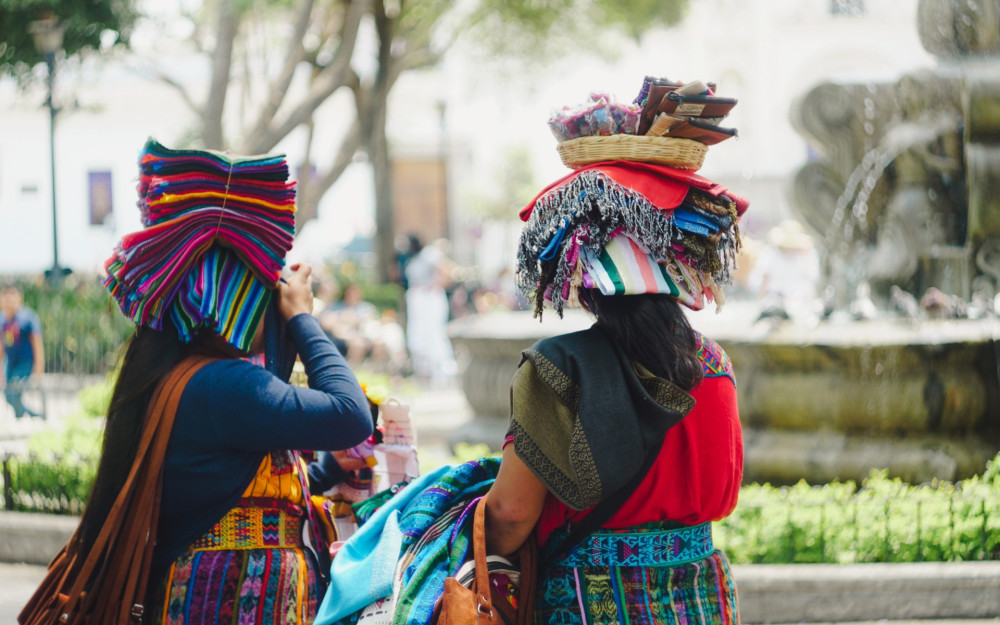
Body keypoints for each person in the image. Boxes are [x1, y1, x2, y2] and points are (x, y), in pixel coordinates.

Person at [24, 139, 374, 624]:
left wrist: (329, 473)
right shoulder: (225, 387)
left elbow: (235, 488)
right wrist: (302, 320)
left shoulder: (187, 378)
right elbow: (350, 415)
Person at [484, 155, 749, 622]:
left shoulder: (558, 367)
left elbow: (510, 512)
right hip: (700, 596)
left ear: (585, 285)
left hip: (593, 599)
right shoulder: (714, 364)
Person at [403, 237, 457, 382]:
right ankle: (423, 372)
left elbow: (446, 270)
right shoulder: (413, 258)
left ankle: (442, 373)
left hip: (428, 300)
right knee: (417, 337)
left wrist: (434, 285)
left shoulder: (429, 253)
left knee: (434, 335)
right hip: (418, 300)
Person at [1, 284, 44, 419]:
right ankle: (33, 414)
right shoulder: (2, 319)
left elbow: (37, 342)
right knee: (8, 394)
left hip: (25, 362)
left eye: (12, 295)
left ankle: (21, 416)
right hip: (10, 363)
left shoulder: (28, 317)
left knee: (14, 390)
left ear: (20, 298)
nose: (9, 299)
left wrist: (39, 365)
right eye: (5, 295)